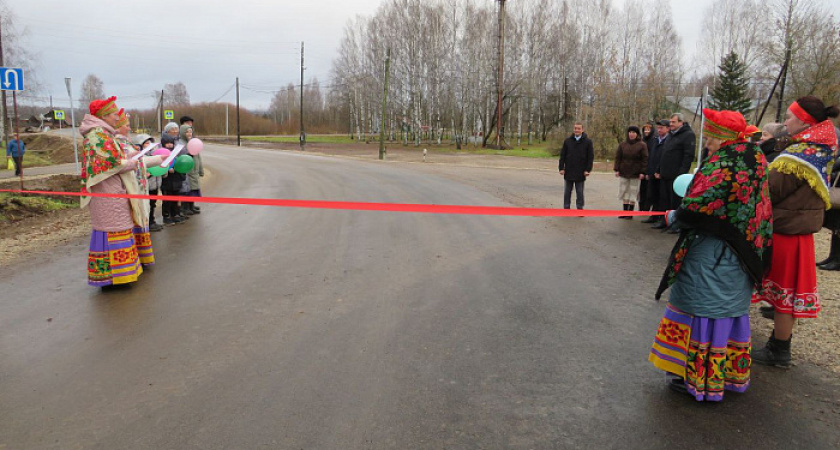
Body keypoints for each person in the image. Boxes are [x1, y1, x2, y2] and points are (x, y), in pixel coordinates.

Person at [649, 108, 773, 402]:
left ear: (724, 137)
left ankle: (694, 376)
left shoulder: (725, 163)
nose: (707, 144)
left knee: (701, 307)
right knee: (727, 308)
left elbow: (697, 207)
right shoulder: (754, 158)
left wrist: (673, 216)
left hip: (713, 252)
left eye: (712, 138)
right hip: (741, 253)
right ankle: (725, 374)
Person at [751, 96, 839, 367]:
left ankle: (779, 349)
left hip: (787, 230)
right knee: (785, 293)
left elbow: (771, 190)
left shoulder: (799, 155)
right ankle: (779, 345)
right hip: (797, 228)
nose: (785, 121)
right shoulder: (818, 147)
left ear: (805, 121)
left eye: (790, 116)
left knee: (784, 294)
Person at [80, 96, 162, 288]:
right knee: (113, 231)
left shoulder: (102, 134)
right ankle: (114, 279)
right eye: (113, 114)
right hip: (108, 194)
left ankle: (120, 276)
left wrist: (133, 156)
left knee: (119, 229)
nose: (117, 118)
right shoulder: (97, 136)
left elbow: (115, 157)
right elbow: (112, 164)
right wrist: (132, 163)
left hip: (114, 191)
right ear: (104, 116)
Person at [654, 113, 696, 233]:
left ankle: (675, 224)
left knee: (675, 201)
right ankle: (664, 221)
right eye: (670, 122)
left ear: (681, 123)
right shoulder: (671, 135)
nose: (670, 124)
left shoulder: (688, 135)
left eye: (673, 122)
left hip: (676, 176)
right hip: (665, 174)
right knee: (664, 199)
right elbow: (664, 154)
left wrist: (681, 174)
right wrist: (658, 169)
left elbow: (688, 156)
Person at [613, 125, 648, 219]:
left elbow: (645, 159)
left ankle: (630, 213)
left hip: (635, 173)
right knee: (624, 191)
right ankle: (624, 212)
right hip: (624, 171)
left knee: (633, 191)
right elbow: (618, 157)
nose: (631, 134)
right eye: (630, 132)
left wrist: (642, 172)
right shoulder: (623, 144)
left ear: (637, 134)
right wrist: (617, 169)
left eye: (633, 132)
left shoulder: (642, 145)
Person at [558, 122, 594, 210]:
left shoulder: (588, 142)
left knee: (580, 192)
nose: (576, 130)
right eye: (575, 128)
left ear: (582, 130)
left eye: (578, 128)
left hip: (581, 172)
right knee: (567, 192)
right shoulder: (567, 141)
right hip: (569, 170)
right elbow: (562, 156)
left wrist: (587, 170)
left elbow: (590, 157)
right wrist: (561, 168)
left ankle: (580, 208)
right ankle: (566, 208)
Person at [642, 120, 670, 224]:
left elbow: (664, 158)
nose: (659, 130)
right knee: (651, 195)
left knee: (661, 196)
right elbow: (651, 157)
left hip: (661, 173)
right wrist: (649, 172)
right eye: (658, 128)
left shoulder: (668, 141)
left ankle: (660, 217)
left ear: (668, 128)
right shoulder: (655, 140)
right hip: (652, 172)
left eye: (661, 128)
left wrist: (659, 171)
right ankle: (653, 216)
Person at [134, 134, 164, 232]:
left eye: (150, 142)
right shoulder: (141, 156)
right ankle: (148, 223)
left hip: (155, 184)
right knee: (148, 205)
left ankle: (152, 221)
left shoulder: (155, 154)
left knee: (153, 204)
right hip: (146, 186)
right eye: (146, 143)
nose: (149, 144)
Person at [159, 133, 188, 226]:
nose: (170, 145)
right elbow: (159, 166)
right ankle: (166, 216)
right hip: (166, 181)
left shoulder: (176, 153)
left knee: (175, 199)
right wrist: (167, 169)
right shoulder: (161, 154)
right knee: (167, 200)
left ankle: (175, 214)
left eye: (171, 143)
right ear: (163, 144)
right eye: (167, 143)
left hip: (176, 179)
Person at [638, 122, 656, 214]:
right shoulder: (642, 140)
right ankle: (641, 208)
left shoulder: (654, 140)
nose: (646, 131)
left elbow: (652, 157)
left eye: (648, 129)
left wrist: (649, 172)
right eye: (645, 129)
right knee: (642, 190)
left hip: (650, 169)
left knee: (649, 192)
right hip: (642, 169)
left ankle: (646, 209)